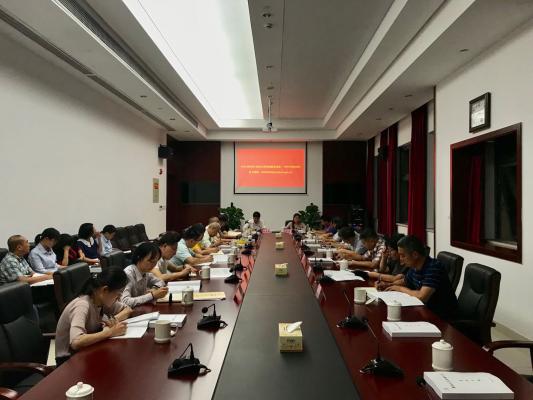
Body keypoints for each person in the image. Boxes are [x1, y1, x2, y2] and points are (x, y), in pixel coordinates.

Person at [55, 267, 132, 365]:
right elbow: (76, 341)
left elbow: (128, 310)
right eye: (118, 295)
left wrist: (113, 319)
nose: (119, 299)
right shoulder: (82, 305)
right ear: (105, 290)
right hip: (68, 361)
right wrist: (110, 332)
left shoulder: (101, 300)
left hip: (88, 351)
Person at [378, 235, 458, 320]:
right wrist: (388, 285)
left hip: (443, 318)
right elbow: (405, 281)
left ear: (415, 255)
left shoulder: (434, 267)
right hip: (425, 312)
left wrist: (399, 288)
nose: (400, 259)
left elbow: (422, 297)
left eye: (403, 255)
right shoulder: (414, 267)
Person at [121, 242, 167, 307]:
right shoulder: (128, 274)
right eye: (150, 261)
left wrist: (154, 288)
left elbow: (160, 281)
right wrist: (152, 295)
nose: (153, 265)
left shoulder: (145, 271)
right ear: (139, 257)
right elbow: (125, 301)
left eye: (155, 262)